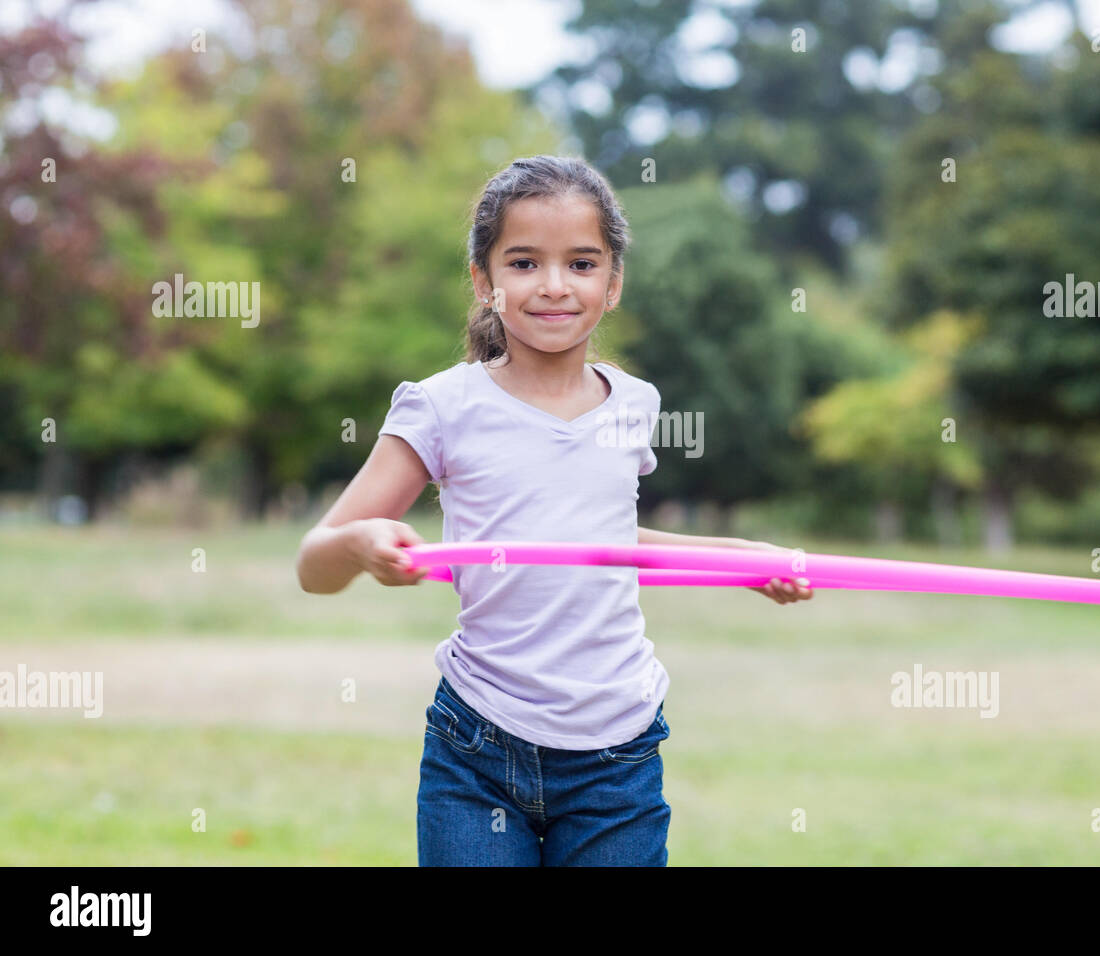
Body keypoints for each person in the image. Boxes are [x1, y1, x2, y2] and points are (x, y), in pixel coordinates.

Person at [295, 155, 812, 866]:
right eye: (524, 262)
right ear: (485, 282)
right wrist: (359, 545)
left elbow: (599, 539)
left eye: (581, 263)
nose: (554, 286)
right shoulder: (443, 407)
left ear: (614, 282)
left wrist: (740, 561)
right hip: (478, 747)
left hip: (618, 754)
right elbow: (312, 565)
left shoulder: (634, 404)